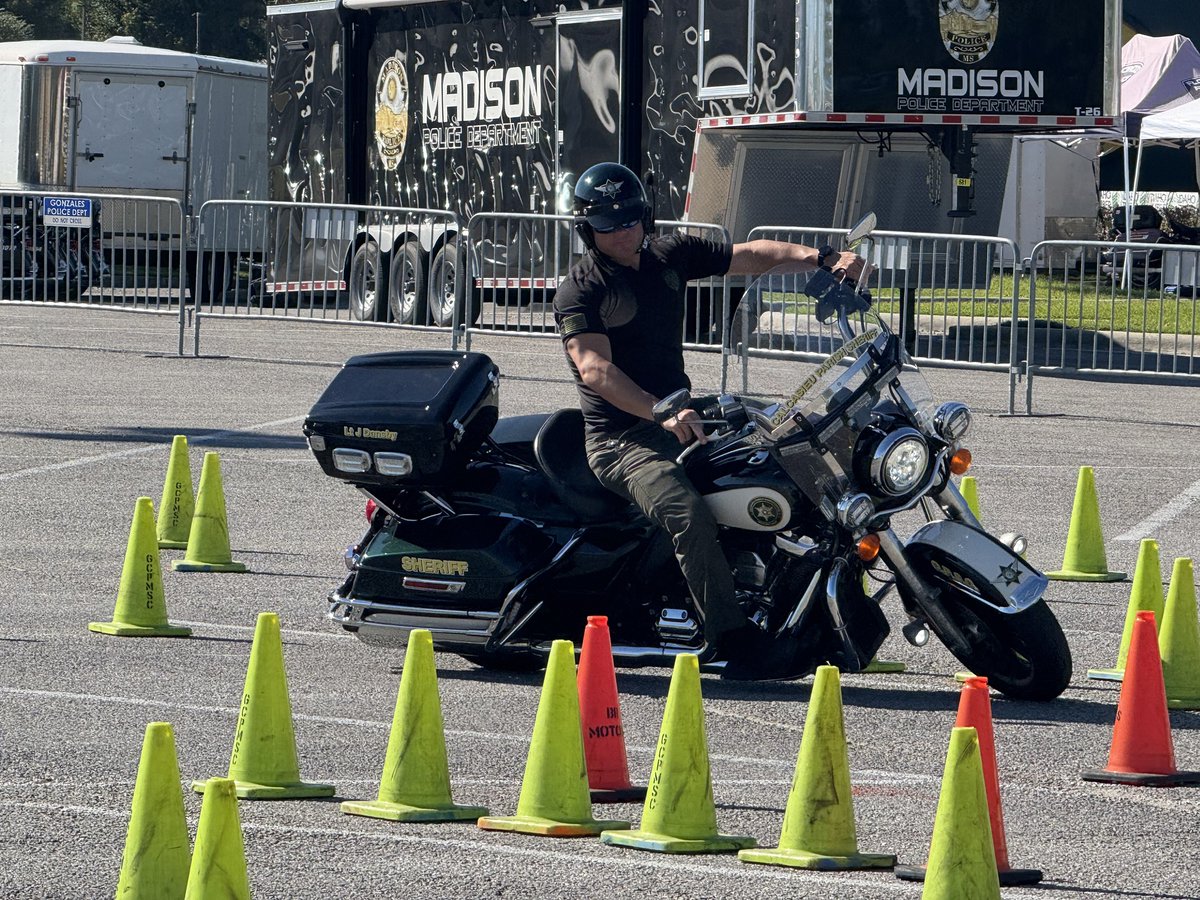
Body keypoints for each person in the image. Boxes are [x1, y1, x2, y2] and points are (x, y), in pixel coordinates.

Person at [553, 161, 868, 680]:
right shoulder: (582, 290)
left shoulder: (666, 254)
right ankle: (734, 641)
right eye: (608, 225)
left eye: (631, 219)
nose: (624, 231)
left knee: (783, 444)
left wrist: (821, 258)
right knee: (687, 511)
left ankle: (807, 602)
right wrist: (660, 409)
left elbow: (749, 255)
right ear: (588, 229)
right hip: (621, 439)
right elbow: (594, 368)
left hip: (681, 417)